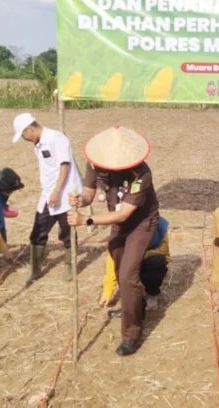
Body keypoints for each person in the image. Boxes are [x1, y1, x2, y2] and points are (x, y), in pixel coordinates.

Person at [68, 125, 159, 357]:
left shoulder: (141, 174)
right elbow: (89, 193)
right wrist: (81, 199)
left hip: (141, 223)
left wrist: (85, 220)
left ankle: (132, 333)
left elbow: (123, 214)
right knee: (119, 269)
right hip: (118, 220)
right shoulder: (94, 163)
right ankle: (133, 308)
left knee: (128, 276)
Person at [12, 113, 82, 283]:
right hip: (48, 195)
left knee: (67, 232)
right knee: (37, 232)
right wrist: (51, 192)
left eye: (23, 135)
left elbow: (64, 165)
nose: (24, 138)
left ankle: (69, 265)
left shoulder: (56, 138)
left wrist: (57, 192)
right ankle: (36, 269)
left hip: (65, 195)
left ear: (30, 129)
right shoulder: (38, 144)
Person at [101, 216, 170, 312]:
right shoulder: (122, 226)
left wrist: (139, 255)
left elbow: (163, 251)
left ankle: (151, 293)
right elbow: (113, 260)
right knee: (123, 265)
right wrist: (108, 292)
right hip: (129, 259)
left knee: (158, 261)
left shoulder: (158, 224)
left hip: (149, 257)